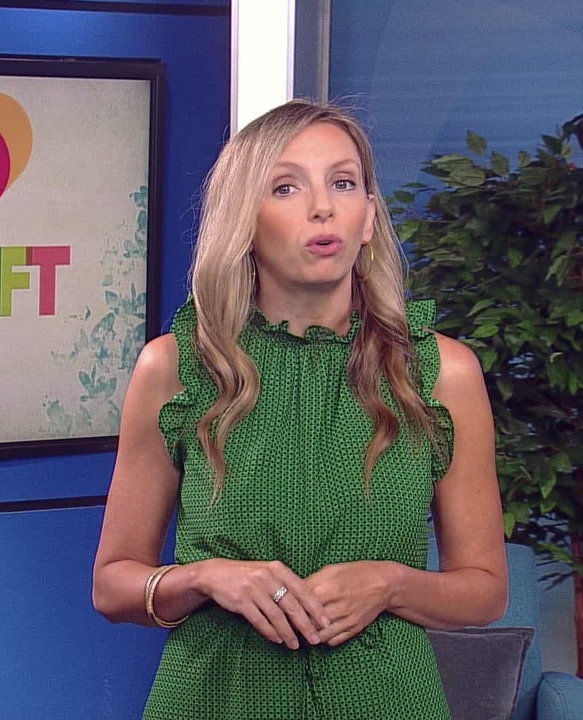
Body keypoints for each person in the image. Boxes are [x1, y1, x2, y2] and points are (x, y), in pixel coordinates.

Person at [91, 100, 508, 719]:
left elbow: (485, 591)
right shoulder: (175, 368)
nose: (323, 208)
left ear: (368, 219)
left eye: (344, 183)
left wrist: (391, 584)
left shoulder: (442, 373)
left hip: (386, 702)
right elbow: (112, 584)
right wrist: (205, 578)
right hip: (216, 700)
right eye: (286, 187)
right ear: (244, 219)